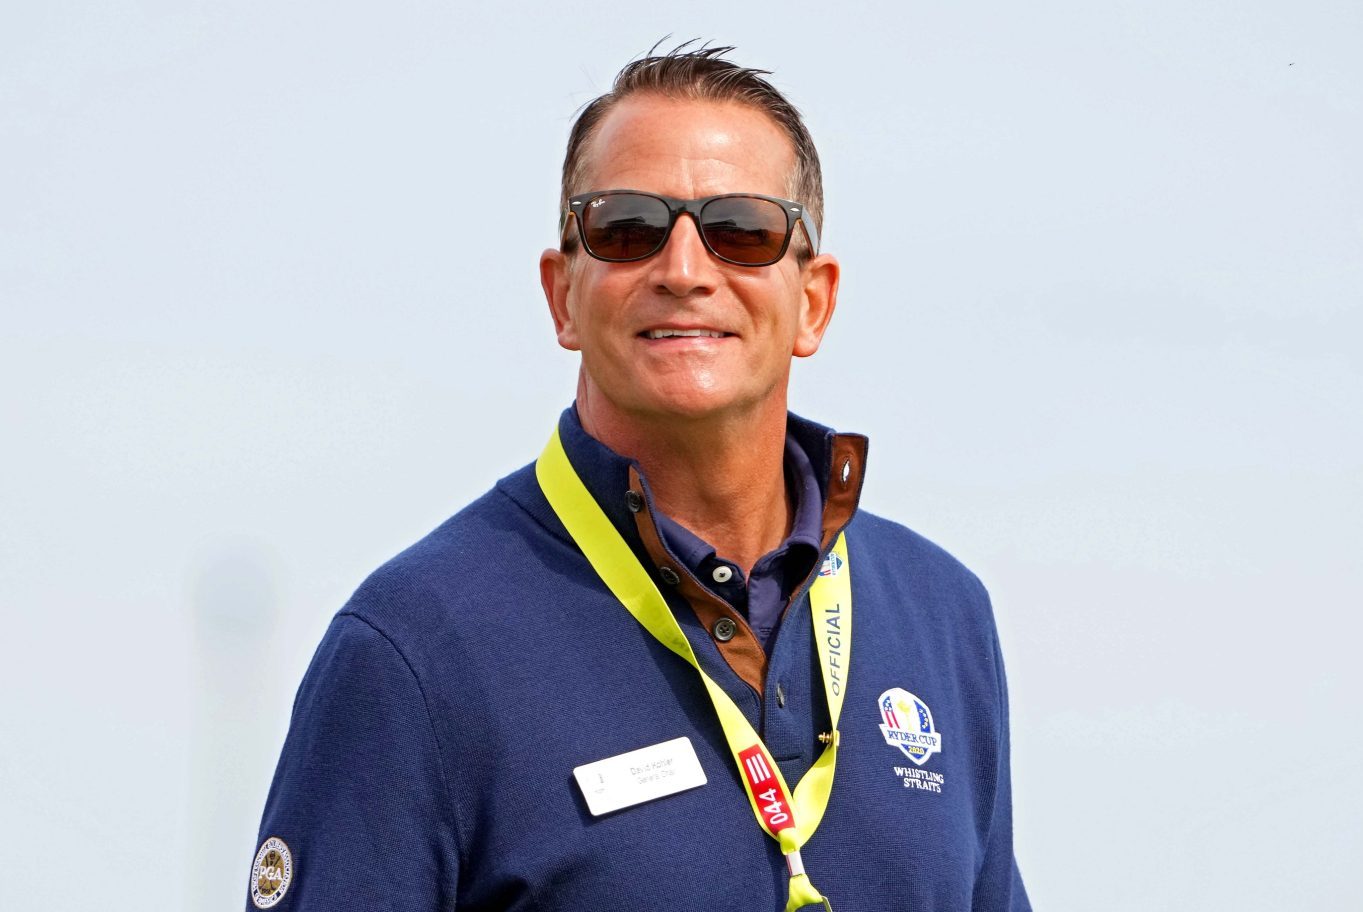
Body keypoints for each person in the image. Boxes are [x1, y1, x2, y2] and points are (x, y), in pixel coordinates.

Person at [246, 44, 1030, 912]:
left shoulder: (941, 615)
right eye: (626, 228)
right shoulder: (414, 646)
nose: (684, 271)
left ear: (813, 302)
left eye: (742, 230)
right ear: (562, 297)